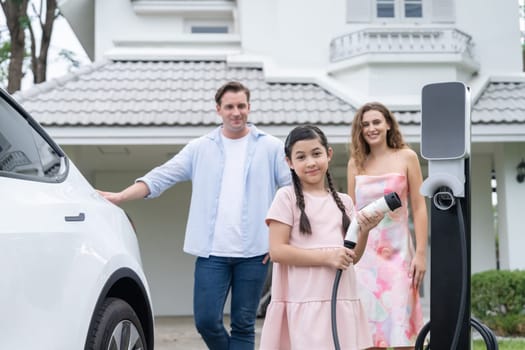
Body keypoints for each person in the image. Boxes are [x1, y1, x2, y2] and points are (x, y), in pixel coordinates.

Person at [97, 81, 291, 350]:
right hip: (212, 254)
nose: (236, 112)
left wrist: (283, 238)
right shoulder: (201, 147)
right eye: (229, 107)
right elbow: (161, 176)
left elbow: (293, 190)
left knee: (244, 325)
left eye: (241, 106)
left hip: (256, 253)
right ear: (218, 110)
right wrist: (120, 196)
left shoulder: (270, 147)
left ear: (249, 107)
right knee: (206, 321)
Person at [260, 124, 383, 350]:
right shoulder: (285, 198)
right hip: (304, 302)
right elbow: (277, 251)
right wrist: (327, 257)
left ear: (328, 154)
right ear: (289, 162)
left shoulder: (344, 202)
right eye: (301, 157)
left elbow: (351, 257)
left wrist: (364, 230)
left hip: (340, 301)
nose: (310, 162)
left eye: (316, 154)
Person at [347, 102, 428, 349]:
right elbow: (351, 211)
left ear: (388, 124)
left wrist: (421, 254)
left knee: (401, 329)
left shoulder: (407, 157)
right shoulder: (355, 163)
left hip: (399, 255)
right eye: (365, 125)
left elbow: (419, 206)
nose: (371, 128)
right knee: (369, 332)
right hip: (365, 257)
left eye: (376, 122)